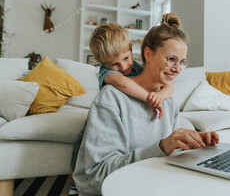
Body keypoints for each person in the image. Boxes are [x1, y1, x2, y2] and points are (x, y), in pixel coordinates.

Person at [73, 13, 219, 195]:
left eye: (182, 62)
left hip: (157, 186)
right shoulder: (111, 97)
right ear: (148, 54)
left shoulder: (168, 99)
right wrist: (161, 147)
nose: (177, 69)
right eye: (171, 59)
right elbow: (93, 177)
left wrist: (193, 146)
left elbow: (168, 157)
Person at [69, 23, 174, 195]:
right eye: (115, 64)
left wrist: (161, 96)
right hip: (99, 120)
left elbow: (170, 87)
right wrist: (149, 98)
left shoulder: (138, 66)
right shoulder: (107, 73)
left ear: (131, 50)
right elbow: (123, 84)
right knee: (82, 148)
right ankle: (75, 180)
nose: (124, 67)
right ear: (103, 64)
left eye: (126, 58)